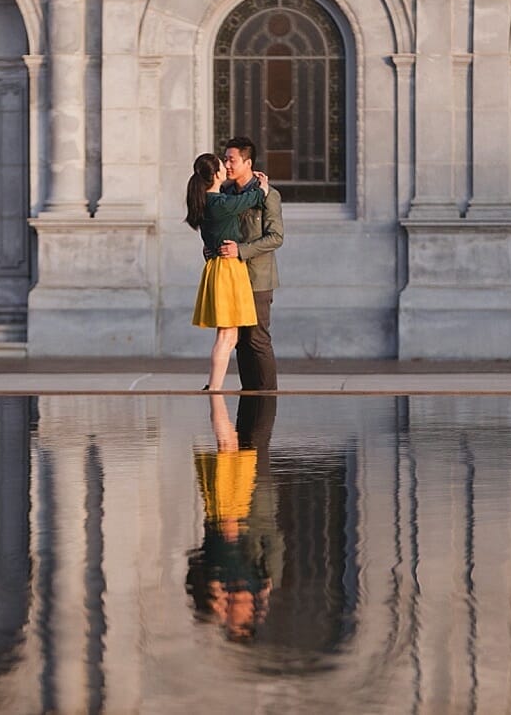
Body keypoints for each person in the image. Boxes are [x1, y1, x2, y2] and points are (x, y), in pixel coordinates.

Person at [185, 394, 278, 642]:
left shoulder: (220, 587)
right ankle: (218, 403)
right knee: (238, 450)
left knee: (226, 448)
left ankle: (217, 402)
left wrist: (220, 606)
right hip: (239, 511)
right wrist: (261, 607)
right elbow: (268, 572)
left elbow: (203, 568)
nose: (238, 614)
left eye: (233, 621)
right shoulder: (256, 585)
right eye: (242, 619)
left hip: (220, 514)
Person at [186, 152, 271, 391]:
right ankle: (213, 387)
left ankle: (214, 386)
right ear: (215, 175)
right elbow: (248, 200)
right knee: (226, 335)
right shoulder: (218, 203)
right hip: (227, 269)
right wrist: (262, 187)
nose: (226, 169)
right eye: (222, 166)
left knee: (229, 335)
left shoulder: (208, 201)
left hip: (219, 267)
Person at [216, 137, 283, 391]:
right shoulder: (226, 193)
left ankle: (267, 398)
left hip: (258, 278)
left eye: (231, 160)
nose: (227, 165)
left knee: (257, 339)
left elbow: (276, 237)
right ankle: (249, 396)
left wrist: (240, 250)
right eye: (225, 159)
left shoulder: (269, 195)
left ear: (248, 163)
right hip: (232, 276)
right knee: (240, 340)